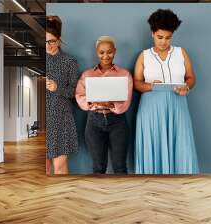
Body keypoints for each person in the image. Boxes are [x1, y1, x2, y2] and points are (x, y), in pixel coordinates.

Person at [134, 9, 199, 174]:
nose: (164, 41)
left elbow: (191, 77)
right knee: (153, 143)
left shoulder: (180, 53)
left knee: (181, 144)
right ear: (152, 34)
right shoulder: (144, 56)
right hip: (151, 108)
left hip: (177, 103)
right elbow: (136, 83)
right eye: (160, 37)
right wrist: (150, 86)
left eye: (168, 37)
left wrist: (187, 87)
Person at [75, 36, 133, 174]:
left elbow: (126, 101)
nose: (106, 56)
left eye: (109, 52)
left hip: (117, 121)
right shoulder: (87, 74)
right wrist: (93, 103)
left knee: (120, 166)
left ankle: (123, 195)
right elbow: (80, 96)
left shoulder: (124, 74)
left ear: (115, 51)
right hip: (94, 121)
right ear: (97, 52)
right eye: (101, 52)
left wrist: (111, 104)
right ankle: (99, 195)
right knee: (98, 167)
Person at [46, 15, 79, 175]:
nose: (48, 45)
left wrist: (57, 88)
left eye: (51, 41)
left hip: (61, 119)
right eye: (45, 41)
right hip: (44, 120)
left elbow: (74, 92)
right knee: (43, 170)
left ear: (59, 40)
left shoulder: (69, 61)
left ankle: (62, 199)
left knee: (59, 168)